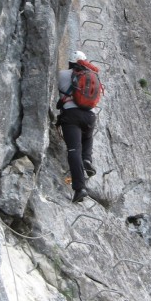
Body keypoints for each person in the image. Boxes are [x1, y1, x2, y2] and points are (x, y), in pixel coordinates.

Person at [56, 50, 98, 203]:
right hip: (90, 116)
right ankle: (87, 159)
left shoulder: (62, 75)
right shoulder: (93, 77)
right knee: (87, 137)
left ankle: (79, 188)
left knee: (74, 150)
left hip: (71, 116)